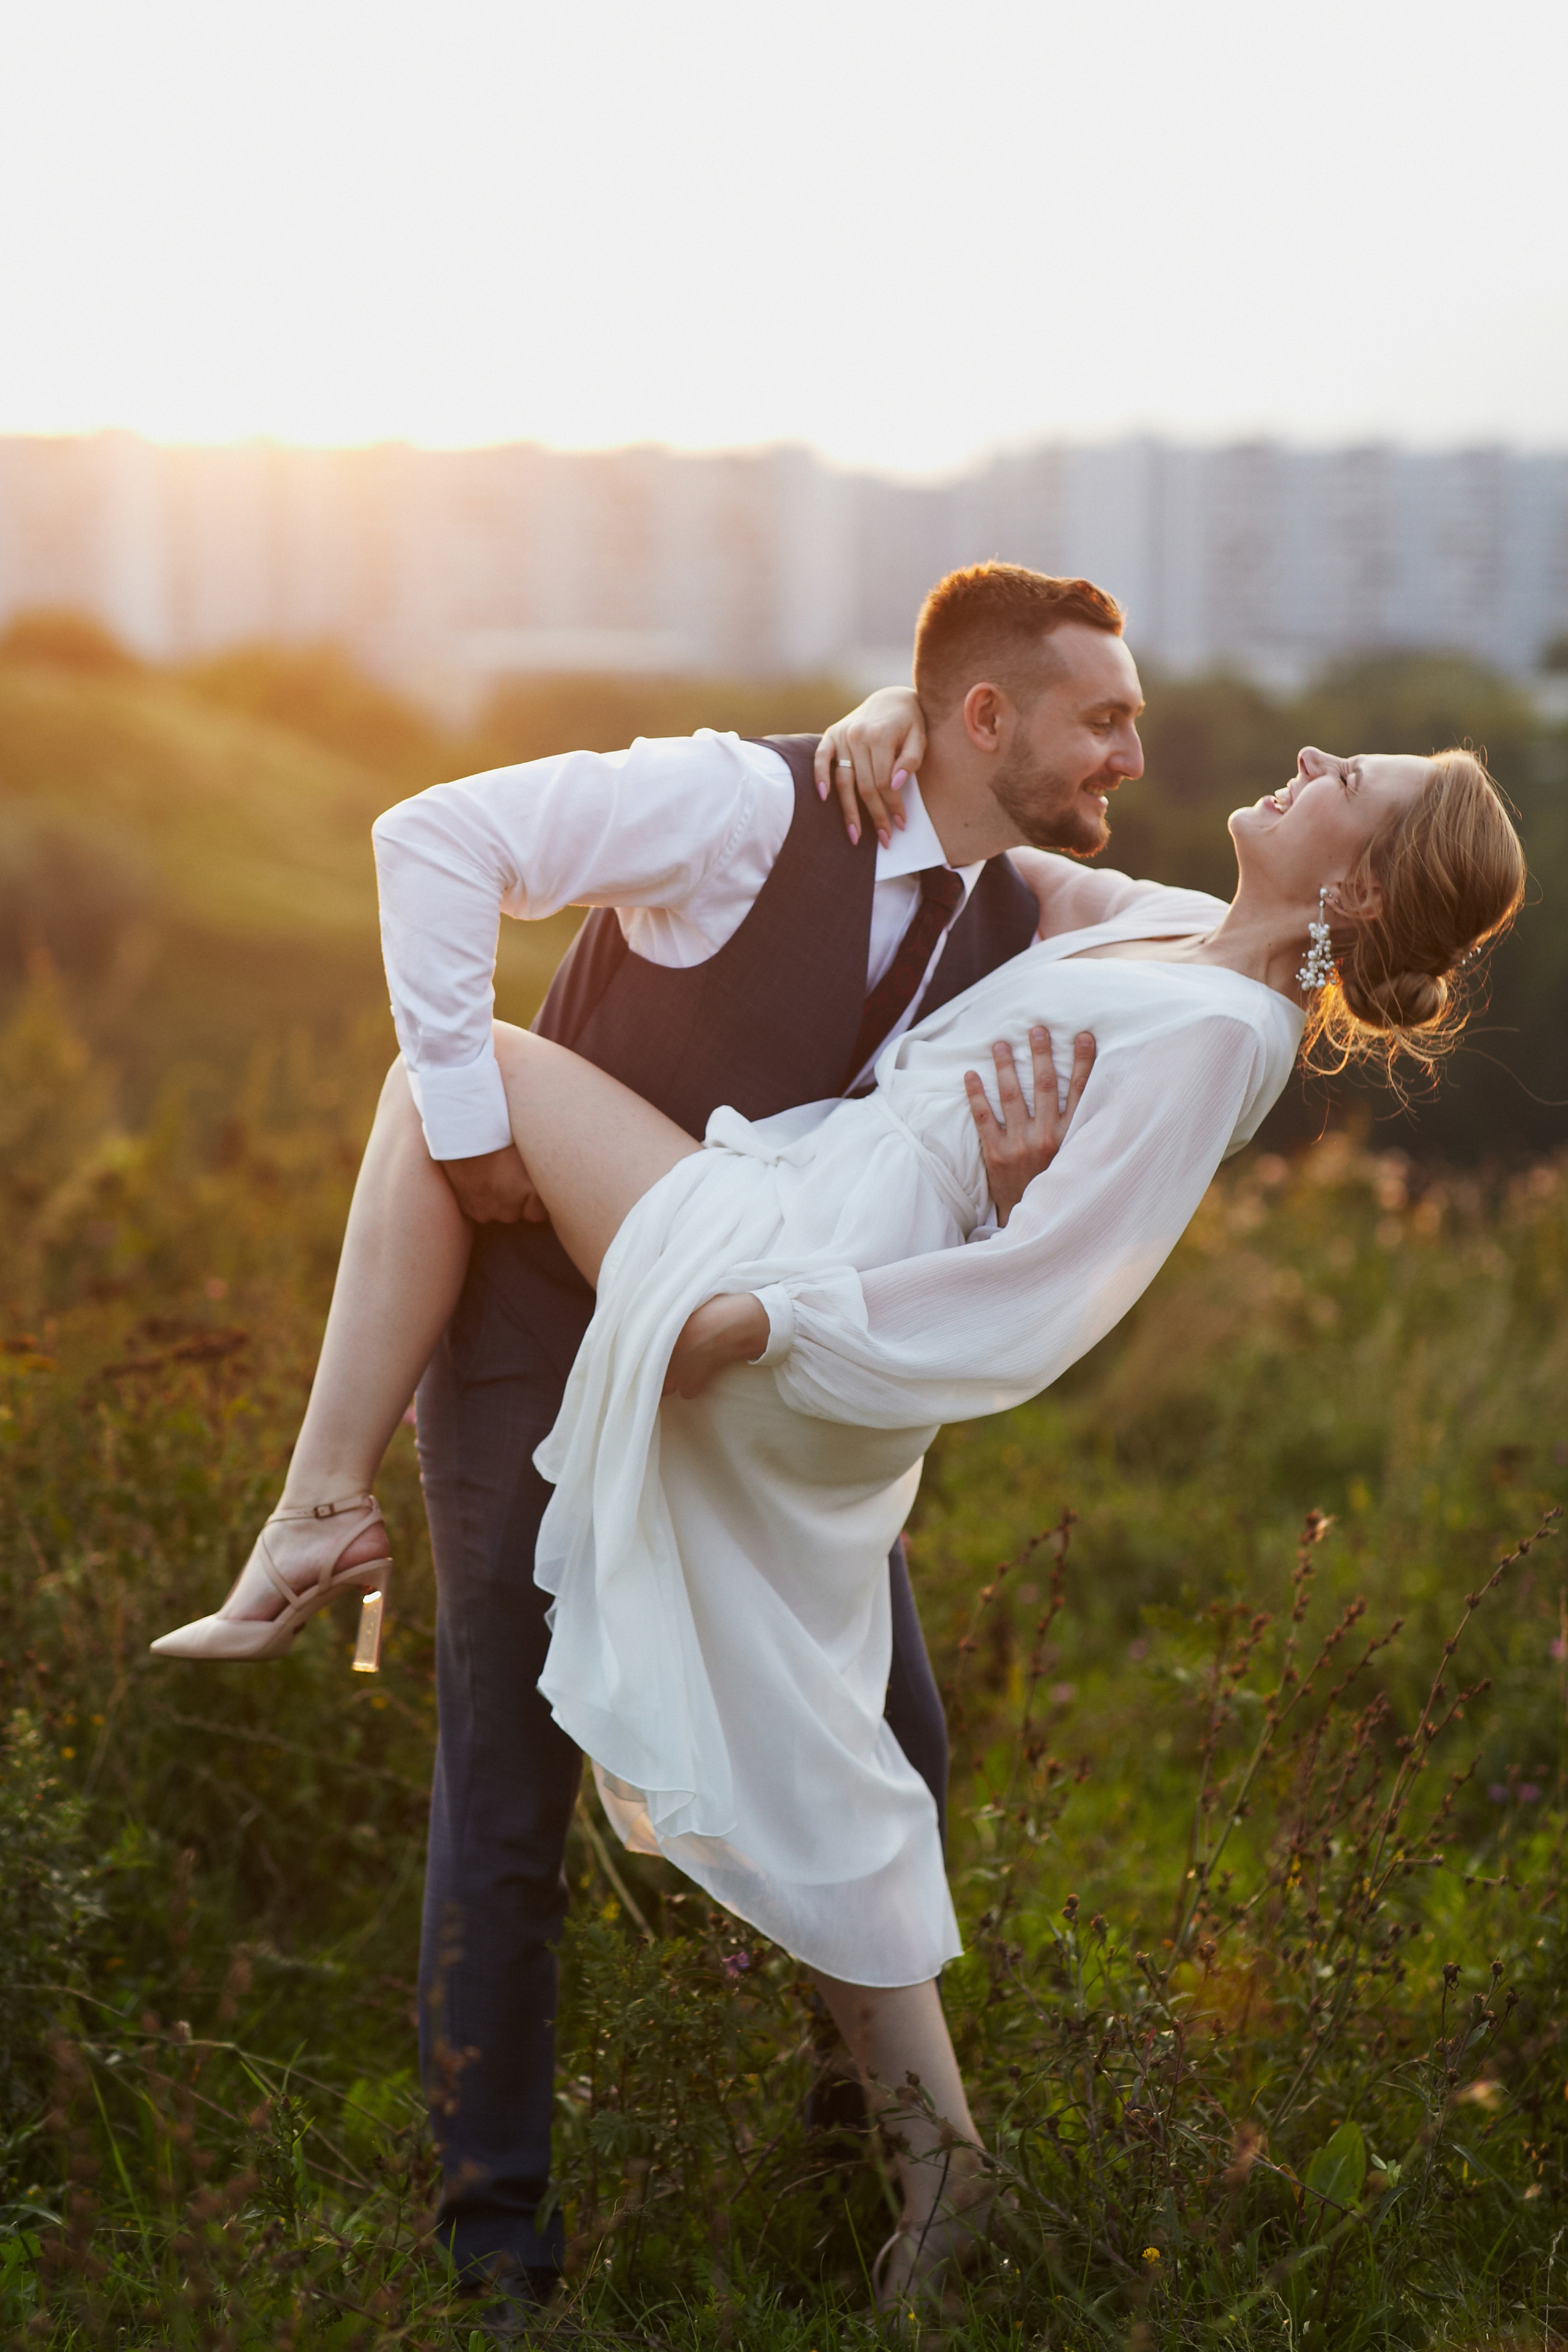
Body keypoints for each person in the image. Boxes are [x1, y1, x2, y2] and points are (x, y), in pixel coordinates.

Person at [152, 706, 1524, 2302]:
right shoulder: (1170, 927)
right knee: (813, 1740)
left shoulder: (1229, 1036)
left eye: (1344, 785)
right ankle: (945, 2173)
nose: (1306, 765)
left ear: (1359, 891)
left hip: (806, 1286)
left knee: (448, 1080)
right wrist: (887, 718)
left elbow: (1045, 1284)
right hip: (799, 1205)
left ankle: (322, 1511)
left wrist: (761, 1326)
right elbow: (1000, 857)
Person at [153, 564, 1148, 2309]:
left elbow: (1221, 934)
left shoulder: (1025, 912)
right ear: (986, 716)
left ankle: (860, 2169)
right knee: (510, 1783)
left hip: (758, 1389)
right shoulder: (740, 806)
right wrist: (470, 1126)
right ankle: (497, 2260)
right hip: (544, 1340)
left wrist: (995, 1201)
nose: (1135, 747)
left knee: (897, 1745)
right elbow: (433, 838)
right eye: (1108, 717)